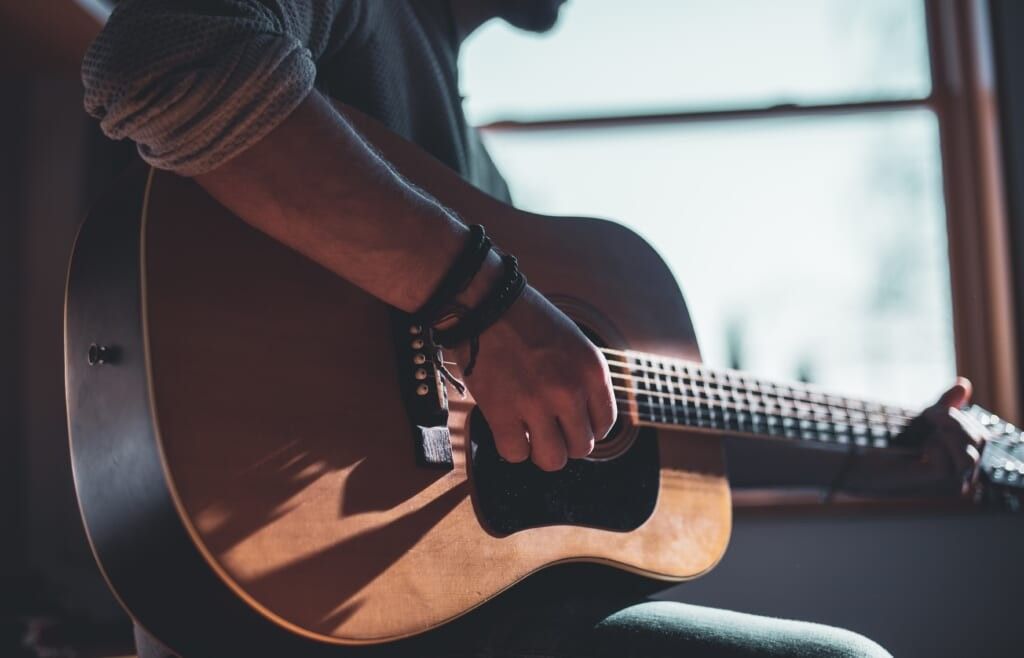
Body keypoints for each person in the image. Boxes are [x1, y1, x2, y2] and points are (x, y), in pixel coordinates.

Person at [82, 1, 984, 656]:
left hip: (444, 610)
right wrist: (484, 308)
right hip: (291, 603)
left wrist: (877, 442)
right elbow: (165, 54)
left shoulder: (482, 183)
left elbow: (637, 427)